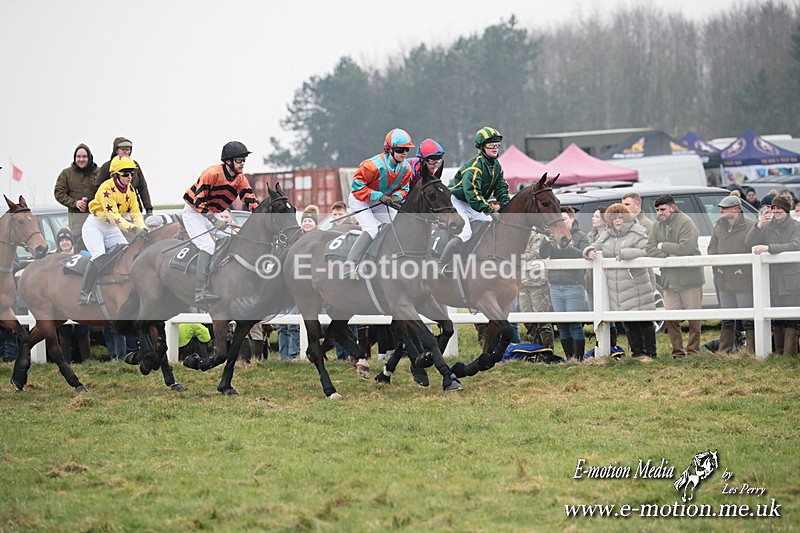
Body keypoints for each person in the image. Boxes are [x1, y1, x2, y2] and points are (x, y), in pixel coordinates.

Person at [183, 141, 258, 303]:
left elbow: (250, 199)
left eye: (244, 160)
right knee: (208, 245)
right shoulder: (211, 174)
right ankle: (200, 290)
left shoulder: (240, 179)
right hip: (194, 212)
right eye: (239, 160)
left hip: (212, 213)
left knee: (231, 238)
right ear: (228, 161)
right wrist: (212, 220)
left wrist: (260, 215)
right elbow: (198, 202)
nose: (242, 164)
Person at [585, 204, 657, 358]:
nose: (618, 221)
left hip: (636, 284)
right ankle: (637, 354)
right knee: (628, 322)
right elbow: (593, 246)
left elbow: (647, 250)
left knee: (644, 321)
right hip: (616, 288)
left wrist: (626, 253)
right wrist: (589, 251)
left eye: (621, 217)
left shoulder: (637, 232)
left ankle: (651, 354)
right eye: (615, 218)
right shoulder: (607, 235)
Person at [342, 128, 414, 278]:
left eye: (406, 149)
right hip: (359, 199)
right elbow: (356, 188)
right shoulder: (371, 166)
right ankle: (349, 266)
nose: (404, 153)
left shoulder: (406, 168)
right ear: (390, 150)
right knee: (372, 229)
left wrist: (396, 196)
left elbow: (405, 187)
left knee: (397, 225)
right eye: (400, 149)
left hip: (382, 200)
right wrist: (379, 196)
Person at [79, 156, 148, 305]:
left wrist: (143, 228)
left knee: (125, 252)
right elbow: (114, 217)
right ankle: (85, 293)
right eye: (126, 174)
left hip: (111, 228)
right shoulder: (106, 188)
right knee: (99, 256)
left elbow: (135, 213)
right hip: (94, 226)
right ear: (115, 174)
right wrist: (134, 229)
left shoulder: (130, 190)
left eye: (131, 173)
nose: (129, 177)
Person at [440, 127, 510, 274]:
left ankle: (472, 256)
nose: (495, 148)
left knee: (490, 223)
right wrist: (490, 210)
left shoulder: (496, 166)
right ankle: (442, 265)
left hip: (471, 203)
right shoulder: (474, 167)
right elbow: (472, 193)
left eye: (497, 144)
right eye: (491, 145)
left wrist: (506, 206)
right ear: (482, 147)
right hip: (456, 200)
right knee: (466, 232)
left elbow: (501, 188)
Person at [646, 195, 704, 357]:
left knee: (694, 319)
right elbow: (649, 248)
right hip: (669, 280)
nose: (659, 213)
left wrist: (663, 246)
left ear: (673, 208)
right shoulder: (657, 225)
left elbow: (686, 248)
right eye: (657, 210)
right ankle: (677, 352)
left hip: (689, 279)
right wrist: (667, 254)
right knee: (671, 318)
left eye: (663, 209)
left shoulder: (686, 222)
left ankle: (693, 351)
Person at [745, 194, 800, 355]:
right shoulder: (768, 226)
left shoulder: (796, 226)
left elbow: (796, 245)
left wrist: (769, 248)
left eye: (779, 208)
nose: (775, 211)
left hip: (791, 279)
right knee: (775, 317)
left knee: (792, 318)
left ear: (786, 209)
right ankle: (778, 351)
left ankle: (790, 353)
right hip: (772, 279)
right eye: (773, 208)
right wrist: (759, 225)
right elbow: (748, 243)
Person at [539, 206, 589, 360]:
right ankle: (569, 358)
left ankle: (578, 358)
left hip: (573, 284)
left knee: (574, 323)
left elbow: (582, 254)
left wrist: (566, 244)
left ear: (572, 220)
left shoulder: (581, 236)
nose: (560, 223)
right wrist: (547, 240)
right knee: (562, 324)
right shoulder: (553, 236)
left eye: (564, 219)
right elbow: (544, 254)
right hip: (555, 285)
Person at [708, 195, 756, 354]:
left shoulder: (751, 226)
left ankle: (751, 350)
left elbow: (755, 251)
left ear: (736, 209)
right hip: (724, 280)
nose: (721, 211)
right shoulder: (718, 227)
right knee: (727, 319)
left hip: (743, 281)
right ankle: (724, 350)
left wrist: (744, 269)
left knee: (748, 318)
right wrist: (717, 266)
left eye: (725, 208)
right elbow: (712, 248)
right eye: (721, 208)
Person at [95, 137, 154, 215]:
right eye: (123, 150)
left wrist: (148, 208)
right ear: (116, 150)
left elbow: (143, 187)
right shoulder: (107, 167)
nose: (126, 152)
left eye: (128, 150)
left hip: (134, 211)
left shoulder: (135, 165)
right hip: (114, 212)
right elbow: (98, 188)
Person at [518, 231, 554, 349]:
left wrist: (520, 257)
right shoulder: (514, 235)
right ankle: (536, 350)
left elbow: (538, 253)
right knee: (527, 320)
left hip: (537, 283)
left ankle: (548, 351)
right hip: (522, 284)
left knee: (543, 322)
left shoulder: (532, 235)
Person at [54, 143, 99, 238]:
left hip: (97, 223)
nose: (81, 159)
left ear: (89, 157)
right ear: (74, 158)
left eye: (84, 157)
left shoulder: (99, 173)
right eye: (78, 157)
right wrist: (75, 203)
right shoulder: (66, 174)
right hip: (77, 227)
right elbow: (59, 193)